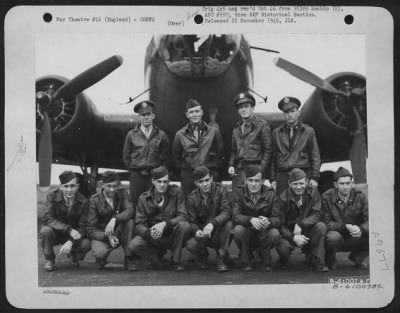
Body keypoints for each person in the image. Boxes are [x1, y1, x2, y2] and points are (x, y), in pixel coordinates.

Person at [128, 166, 192, 271]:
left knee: (185, 226)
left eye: (165, 182)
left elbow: (183, 216)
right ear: (153, 181)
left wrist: (165, 224)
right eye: (159, 181)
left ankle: (175, 261)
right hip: (154, 236)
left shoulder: (177, 193)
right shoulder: (144, 198)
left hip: (171, 233)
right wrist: (149, 232)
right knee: (134, 245)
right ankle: (156, 256)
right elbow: (139, 224)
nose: (162, 185)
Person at [277, 168, 329, 272]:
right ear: (289, 184)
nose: (299, 187)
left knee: (321, 226)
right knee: (283, 247)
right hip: (290, 232)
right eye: (295, 184)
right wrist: (293, 237)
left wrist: (301, 224)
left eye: (301, 183)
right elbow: (280, 224)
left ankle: (316, 259)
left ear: (307, 181)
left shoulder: (314, 193)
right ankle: (283, 259)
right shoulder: (282, 198)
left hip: (307, 228)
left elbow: (317, 214)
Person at [232, 165, 281, 271]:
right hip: (247, 229)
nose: (253, 184)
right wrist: (250, 220)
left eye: (257, 181)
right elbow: (235, 216)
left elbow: (278, 218)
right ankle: (246, 255)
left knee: (275, 233)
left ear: (263, 181)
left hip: (265, 230)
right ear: (245, 180)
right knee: (237, 230)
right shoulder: (239, 193)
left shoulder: (271, 194)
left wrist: (269, 221)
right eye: (250, 180)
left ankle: (265, 257)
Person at [39, 171, 90, 272]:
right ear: (60, 187)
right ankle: (50, 259)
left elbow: (83, 226)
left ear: (78, 186)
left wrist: (71, 241)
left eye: (72, 186)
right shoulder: (52, 196)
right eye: (66, 186)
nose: (69, 190)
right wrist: (69, 230)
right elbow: (48, 218)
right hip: (56, 232)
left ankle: (74, 254)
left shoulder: (84, 201)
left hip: (73, 235)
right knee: (45, 231)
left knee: (86, 243)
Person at [122, 100, 170, 208]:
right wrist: (133, 170)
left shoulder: (161, 135)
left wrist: (158, 173)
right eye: (143, 115)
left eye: (148, 114)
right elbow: (126, 156)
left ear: (153, 116)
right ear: (139, 117)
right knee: (136, 205)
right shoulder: (131, 135)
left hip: (154, 177)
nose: (146, 117)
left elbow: (166, 156)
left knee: (154, 205)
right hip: (137, 176)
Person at [172, 98, 224, 198]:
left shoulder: (214, 131)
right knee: (189, 206)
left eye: (197, 111)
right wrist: (186, 171)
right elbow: (175, 158)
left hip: (209, 175)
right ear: (187, 115)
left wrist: (212, 171)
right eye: (191, 112)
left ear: (202, 112)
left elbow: (220, 154)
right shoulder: (180, 134)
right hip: (189, 177)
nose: (194, 114)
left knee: (211, 205)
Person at [186, 166, 233, 272]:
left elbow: (227, 212)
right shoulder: (192, 197)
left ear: (211, 178)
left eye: (207, 180)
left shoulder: (221, 190)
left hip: (217, 231)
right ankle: (202, 255)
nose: (205, 184)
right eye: (201, 181)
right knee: (190, 244)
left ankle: (221, 256)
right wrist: (197, 230)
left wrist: (212, 224)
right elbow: (191, 220)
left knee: (229, 225)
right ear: (196, 183)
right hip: (203, 233)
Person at [271, 97, 321, 194]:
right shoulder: (276, 133)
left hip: (303, 174)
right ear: (283, 114)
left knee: (305, 206)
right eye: (286, 112)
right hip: (283, 176)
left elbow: (315, 155)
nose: (290, 115)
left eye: (293, 111)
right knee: (282, 206)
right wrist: (273, 179)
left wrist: (315, 177)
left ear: (298, 112)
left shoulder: (308, 131)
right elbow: (273, 157)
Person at [322, 167, 369, 269]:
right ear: (335, 185)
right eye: (342, 184)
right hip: (337, 234)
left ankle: (357, 257)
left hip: (355, 234)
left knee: (375, 233)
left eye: (348, 183)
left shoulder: (360, 197)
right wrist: (344, 226)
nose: (345, 187)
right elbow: (325, 222)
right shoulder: (326, 198)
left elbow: (370, 219)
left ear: (352, 184)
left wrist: (361, 229)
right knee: (332, 237)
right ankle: (330, 259)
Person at [87, 171, 135, 269]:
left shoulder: (123, 192)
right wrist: (107, 236)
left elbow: (130, 210)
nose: (112, 190)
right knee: (99, 253)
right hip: (103, 233)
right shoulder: (94, 200)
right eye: (109, 186)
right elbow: (90, 229)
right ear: (102, 185)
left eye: (115, 186)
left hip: (119, 230)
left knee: (130, 222)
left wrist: (115, 219)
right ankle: (101, 258)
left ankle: (128, 257)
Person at [228, 92, 272, 191]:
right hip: (239, 171)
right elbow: (234, 150)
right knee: (237, 202)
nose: (243, 109)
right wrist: (231, 164)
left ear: (252, 108)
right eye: (240, 107)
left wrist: (261, 171)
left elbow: (268, 151)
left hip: (255, 171)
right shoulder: (236, 128)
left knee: (254, 203)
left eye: (246, 106)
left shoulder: (262, 125)